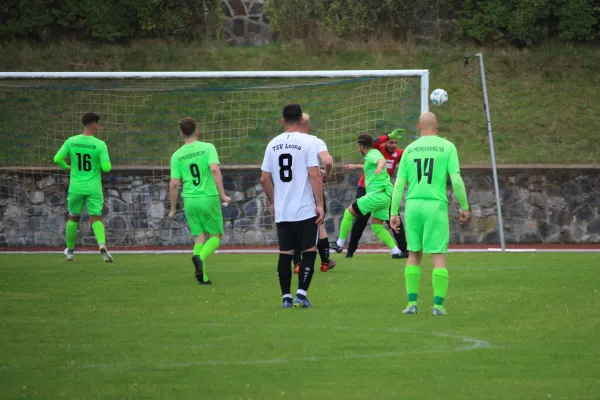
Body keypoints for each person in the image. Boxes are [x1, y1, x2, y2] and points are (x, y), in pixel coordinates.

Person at [390, 112, 470, 316]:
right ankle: (438, 306)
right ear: (437, 125)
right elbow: (457, 179)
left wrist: (393, 211)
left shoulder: (409, 149)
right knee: (438, 255)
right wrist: (464, 206)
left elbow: (399, 183)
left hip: (413, 205)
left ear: (418, 127)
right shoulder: (448, 147)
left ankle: (411, 304)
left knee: (414, 254)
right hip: (435, 205)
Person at [260, 104, 325, 308]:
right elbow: (314, 174)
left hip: (283, 211)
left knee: (285, 253)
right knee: (309, 250)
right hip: (305, 208)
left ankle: (286, 298)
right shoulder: (308, 142)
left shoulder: (272, 144)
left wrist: (273, 202)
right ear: (301, 120)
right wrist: (320, 204)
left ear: (283, 121)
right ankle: (301, 294)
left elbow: (264, 179)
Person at [168, 117, 231, 285]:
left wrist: (173, 209)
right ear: (197, 131)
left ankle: (202, 277)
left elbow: (174, 183)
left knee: (199, 237)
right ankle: (199, 257)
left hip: (189, 200)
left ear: (181, 133)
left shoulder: (177, 155)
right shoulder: (208, 147)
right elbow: (214, 169)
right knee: (216, 236)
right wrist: (223, 195)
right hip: (208, 197)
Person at [332, 129, 408, 258]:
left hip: (376, 196)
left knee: (348, 213)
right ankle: (396, 251)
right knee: (377, 226)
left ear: (361, 146)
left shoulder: (373, 154)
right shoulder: (372, 155)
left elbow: (380, 161)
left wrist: (380, 165)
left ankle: (339, 244)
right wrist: (356, 166)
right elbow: (372, 164)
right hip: (385, 197)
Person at [53, 112, 113, 263]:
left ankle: (70, 252)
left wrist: (67, 167)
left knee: (73, 218)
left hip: (76, 187)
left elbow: (57, 158)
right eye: (97, 123)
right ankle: (101, 244)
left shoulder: (71, 141)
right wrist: (102, 162)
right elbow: (106, 168)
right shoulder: (99, 144)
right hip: (93, 188)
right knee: (95, 218)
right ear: (94, 124)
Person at [293, 113, 336, 274]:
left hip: (291, 190)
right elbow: (328, 161)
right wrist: (327, 173)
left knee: (294, 225)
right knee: (320, 224)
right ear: (309, 127)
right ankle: (325, 262)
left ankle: (297, 263)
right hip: (311, 188)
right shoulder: (315, 141)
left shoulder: (283, 142)